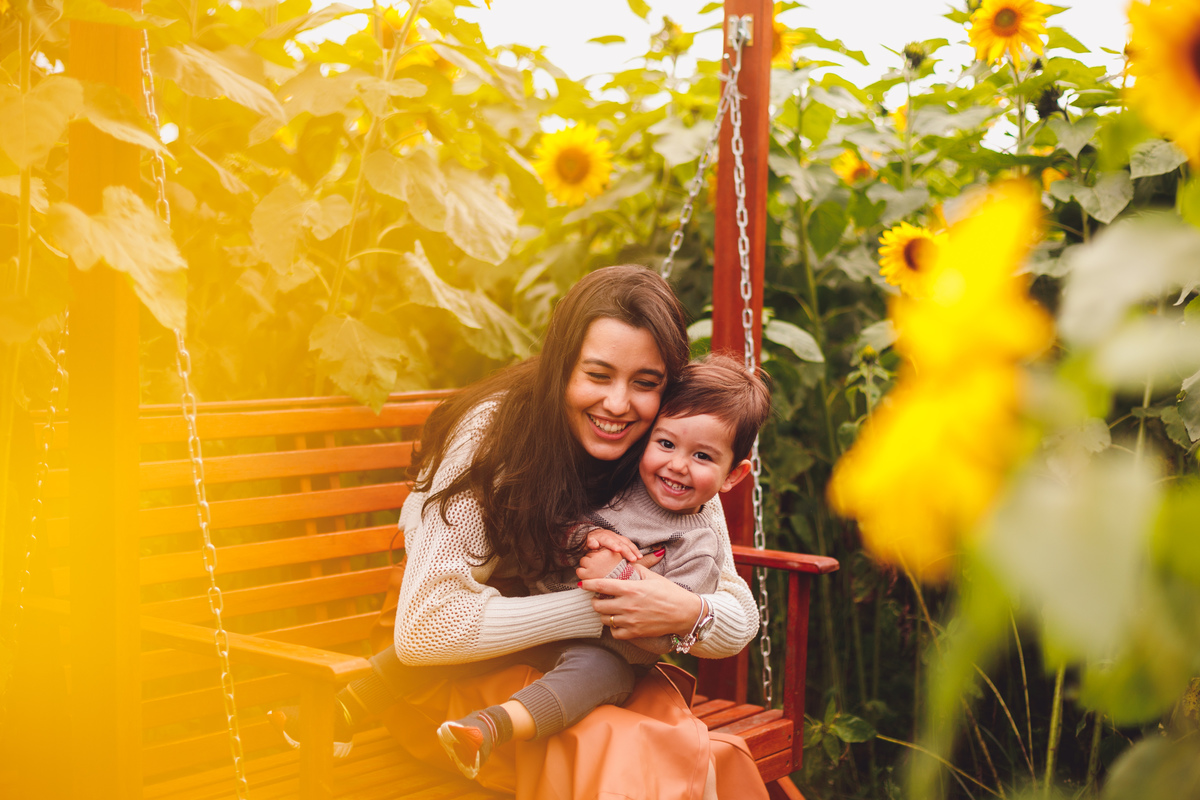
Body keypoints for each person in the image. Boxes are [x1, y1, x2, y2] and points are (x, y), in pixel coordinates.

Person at [270, 265, 767, 799]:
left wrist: (687, 612)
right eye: (597, 375)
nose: (618, 404)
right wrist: (608, 603)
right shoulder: (493, 434)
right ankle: (360, 706)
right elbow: (424, 632)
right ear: (561, 367)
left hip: (580, 663)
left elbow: (738, 612)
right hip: (450, 661)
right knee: (622, 751)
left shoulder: (670, 452)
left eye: (645, 383)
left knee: (653, 747)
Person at [435, 353, 772, 780]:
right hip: (535, 622)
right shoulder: (619, 482)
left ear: (733, 476)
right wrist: (585, 537)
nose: (677, 465)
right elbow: (551, 529)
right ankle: (366, 692)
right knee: (468, 636)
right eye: (666, 444)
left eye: (702, 456)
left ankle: (487, 728)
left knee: (596, 676)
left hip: (607, 652)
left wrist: (621, 577)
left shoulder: (698, 546)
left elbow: (663, 631)